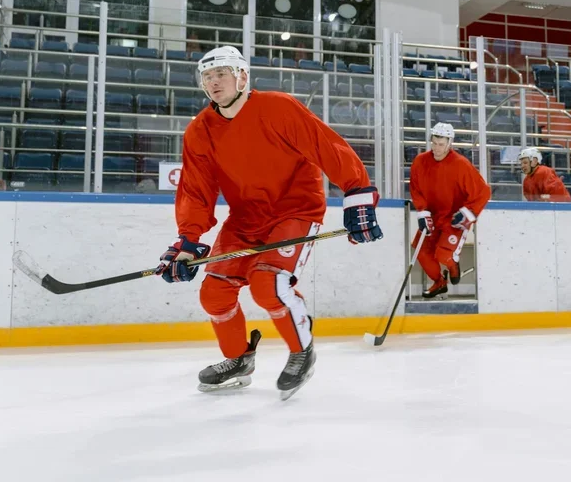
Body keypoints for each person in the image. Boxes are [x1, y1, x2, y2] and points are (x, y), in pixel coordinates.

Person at [156, 45, 383, 400]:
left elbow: (328, 147)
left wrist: (357, 194)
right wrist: (187, 241)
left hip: (295, 211)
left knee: (268, 285)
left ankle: (301, 350)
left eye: (221, 74)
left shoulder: (278, 107)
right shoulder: (200, 131)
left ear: (242, 77)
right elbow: (196, 191)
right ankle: (238, 360)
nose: (213, 83)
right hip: (245, 219)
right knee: (213, 293)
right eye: (207, 77)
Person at [409, 123, 492, 299]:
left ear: (449, 143)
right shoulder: (420, 162)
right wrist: (422, 211)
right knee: (422, 253)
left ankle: (452, 265)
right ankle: (439, 282)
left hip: (453, 219)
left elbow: (483, 191)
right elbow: (415, 188)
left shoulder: (461, 164)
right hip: (432, 216)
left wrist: (468, 213)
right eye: (434, 143)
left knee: (443, 255)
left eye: (441, 144)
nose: (436, 148)